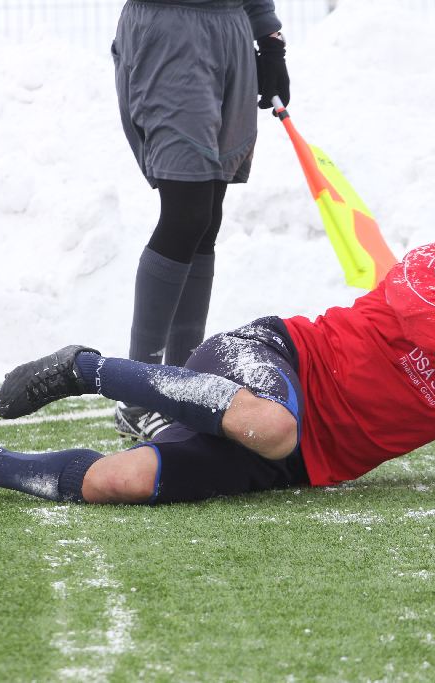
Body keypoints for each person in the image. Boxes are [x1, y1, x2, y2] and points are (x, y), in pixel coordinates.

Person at [0, 201, 435, 505]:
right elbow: (421, 316)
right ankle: (87, 369)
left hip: (302, 464)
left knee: (118, 482)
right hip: (274, 358)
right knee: (272, 421)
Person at [110, 0, 291, 441]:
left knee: (207, 218)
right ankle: (138, 394)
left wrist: (270, 42)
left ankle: (182, 388)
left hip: (229, 31)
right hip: (170, 33)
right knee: (186, 212)